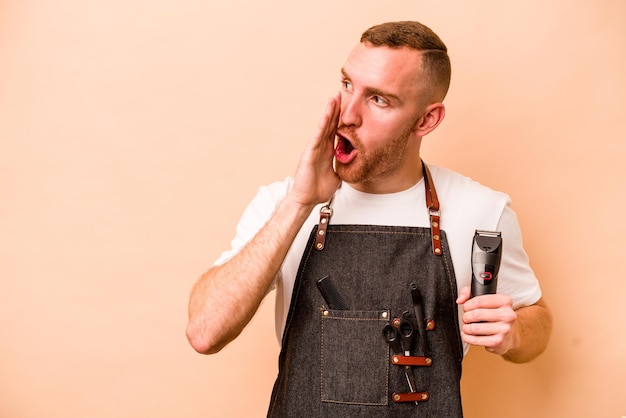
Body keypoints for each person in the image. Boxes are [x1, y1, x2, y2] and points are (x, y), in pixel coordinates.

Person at [186, 21, 552, 417]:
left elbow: (538, 325)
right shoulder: (282, 202)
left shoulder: (482, 211)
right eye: (347, 85)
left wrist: (513, 334)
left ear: (426, 120)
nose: (348, 114)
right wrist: (298, 204)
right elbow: (205, 333)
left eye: (379, 99)